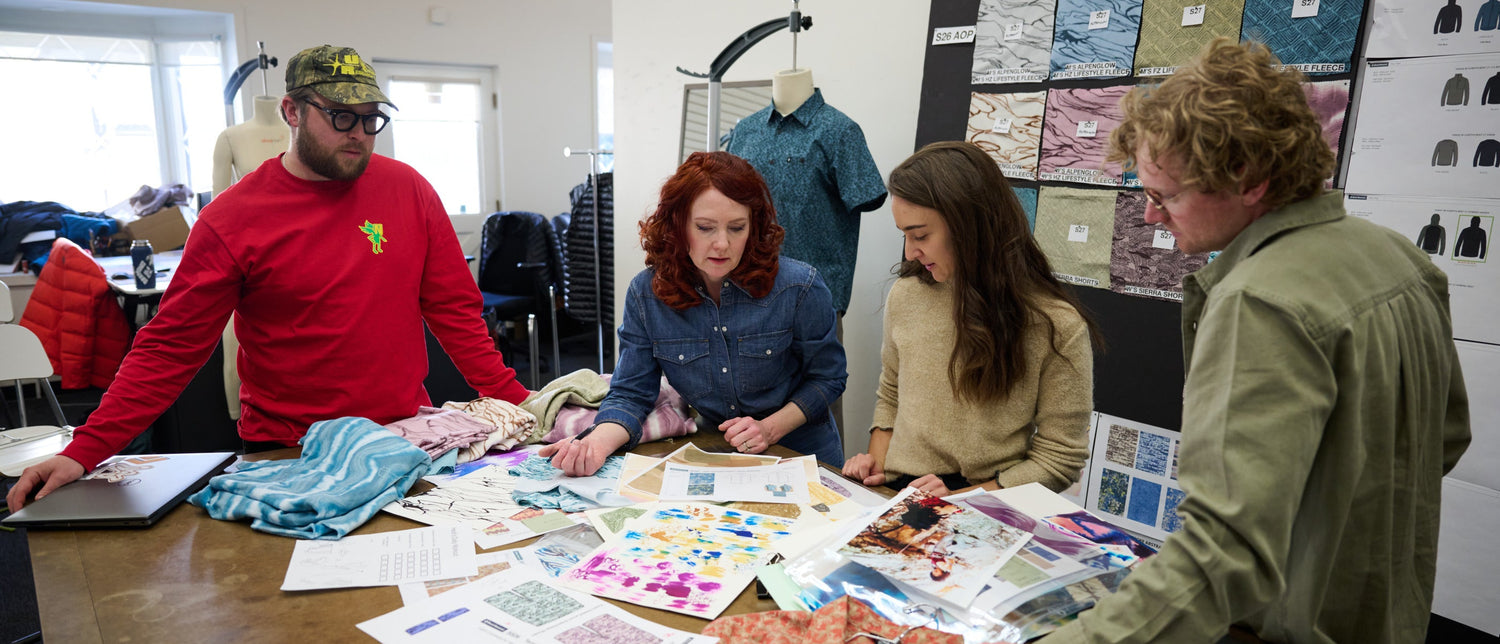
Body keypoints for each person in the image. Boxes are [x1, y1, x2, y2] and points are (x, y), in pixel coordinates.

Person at [1040, 39, 1470, 644]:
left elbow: (1222, 553)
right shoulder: (1396, 256)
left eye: (1165, 196)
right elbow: (1446, 437)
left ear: (1248, 178)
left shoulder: (1259, 300)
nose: (1149, 217)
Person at [7, 45, 529, 512]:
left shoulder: (409, 190)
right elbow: (170, 348)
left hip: (401, 436)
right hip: (289, 448)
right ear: (292, 112)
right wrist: (84, 451)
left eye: (371, 120)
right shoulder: (234, 218)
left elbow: (455, 312)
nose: (358, 135)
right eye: (341, 117)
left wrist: (521, 404)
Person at [541, 151, 847, 476]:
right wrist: (595, 444)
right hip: (718, 454)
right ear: (678, 226)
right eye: (705, 228)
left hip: (803, 456)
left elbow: (828, 377)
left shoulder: (798, 287)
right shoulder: (647, 295)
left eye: (737, 228)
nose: (722, 244)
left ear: (753, 227)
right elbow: (632, 391)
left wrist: (770, 429)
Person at [842, 141, 1098, 497]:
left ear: (968, 225)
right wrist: (877, 465)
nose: (910, 252)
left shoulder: (1055, 324)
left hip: (988, 505)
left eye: (920, 235)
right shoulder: (907, 295)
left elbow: (1059, 458)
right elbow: (891, 394)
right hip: (902, 495)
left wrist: (962, 498)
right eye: (904, 235)